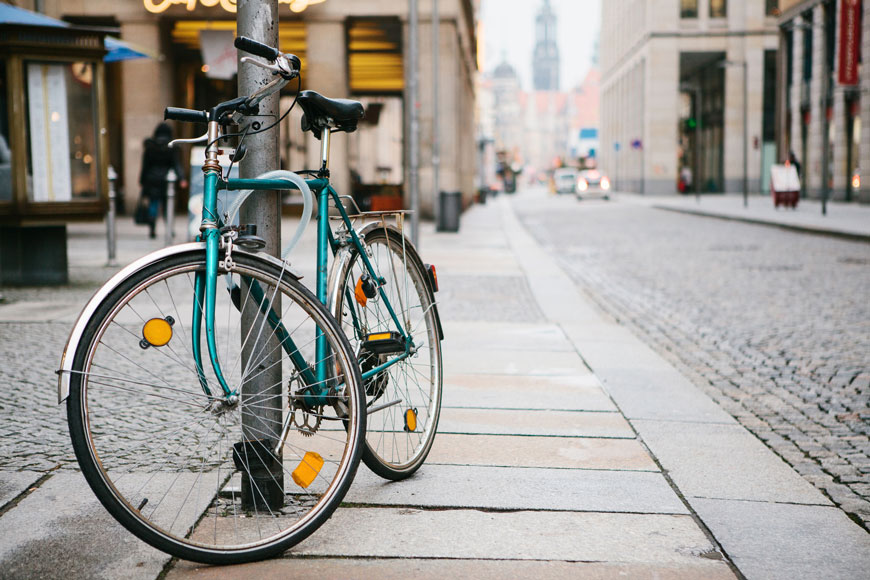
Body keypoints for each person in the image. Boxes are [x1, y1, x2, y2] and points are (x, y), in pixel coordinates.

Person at [139, 123, 187, 239]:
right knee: (167, 206)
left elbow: (145, 165)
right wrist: (182, 178)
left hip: (152, 179)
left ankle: (152, 228)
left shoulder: (150, 146)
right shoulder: (171, 146)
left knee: (153, 204)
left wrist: (142, 180)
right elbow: (176, 164)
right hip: (166, 180)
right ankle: (169, 228)